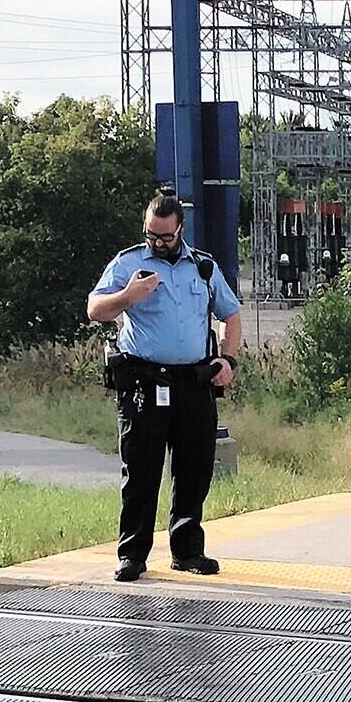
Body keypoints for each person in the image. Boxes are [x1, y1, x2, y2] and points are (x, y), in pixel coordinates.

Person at [87, 193, 242, 581]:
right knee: (141, 471)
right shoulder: (129, 264)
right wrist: (128, 296)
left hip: (193, 382)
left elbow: (231, 314)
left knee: (194, 469)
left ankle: (188, 550)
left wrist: (227, 359)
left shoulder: (203, 267)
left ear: (180, 229)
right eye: (151, 235)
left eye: (165, 236)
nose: (157, 242)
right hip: (144, 382)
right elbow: (95, 310)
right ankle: (133, 555)